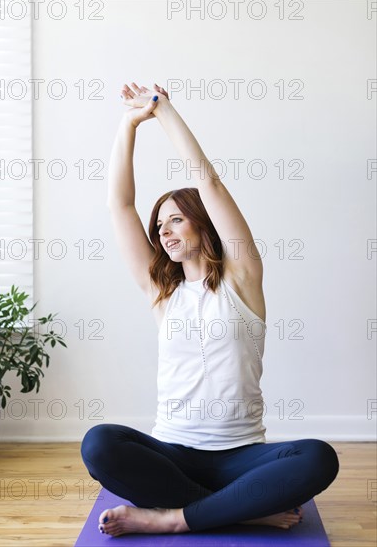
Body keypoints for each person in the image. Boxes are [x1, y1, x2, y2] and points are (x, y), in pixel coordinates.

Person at [81, 82, 339, 538]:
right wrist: (127, 125)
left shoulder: (243, 278)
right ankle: (237, 511)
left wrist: (163, 113)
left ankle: (173, 517)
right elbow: (118, 204)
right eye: (159, 225)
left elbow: (210, 182)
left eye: (176, 218)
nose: (163, 231)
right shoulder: (161, 292)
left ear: (203, 224)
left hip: (241, 458)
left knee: (319, 457)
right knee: (99, 444)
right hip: (173, 456)